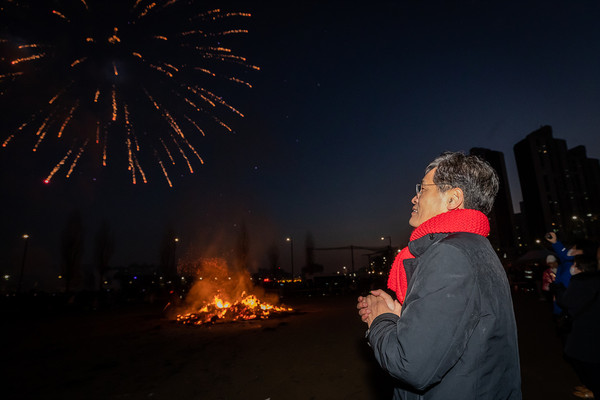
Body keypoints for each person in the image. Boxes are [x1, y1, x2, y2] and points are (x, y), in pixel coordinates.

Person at [357, 152, 521, 399]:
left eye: (422, 189)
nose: (414, 197)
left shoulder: (450, 254)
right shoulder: (475, 246)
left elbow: (410, 364)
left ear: (453, 199)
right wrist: (402, 317)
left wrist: (380, 320)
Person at [551, 252, 600, 399]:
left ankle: (595, 390)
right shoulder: (594, 279)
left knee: (584, 360)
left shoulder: (579, 281)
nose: (572, 267)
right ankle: (591, 387)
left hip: (584, 328)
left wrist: (557, 288)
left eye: (574, 265)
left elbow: (568, 301)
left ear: (580, 268)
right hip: (592, 325)